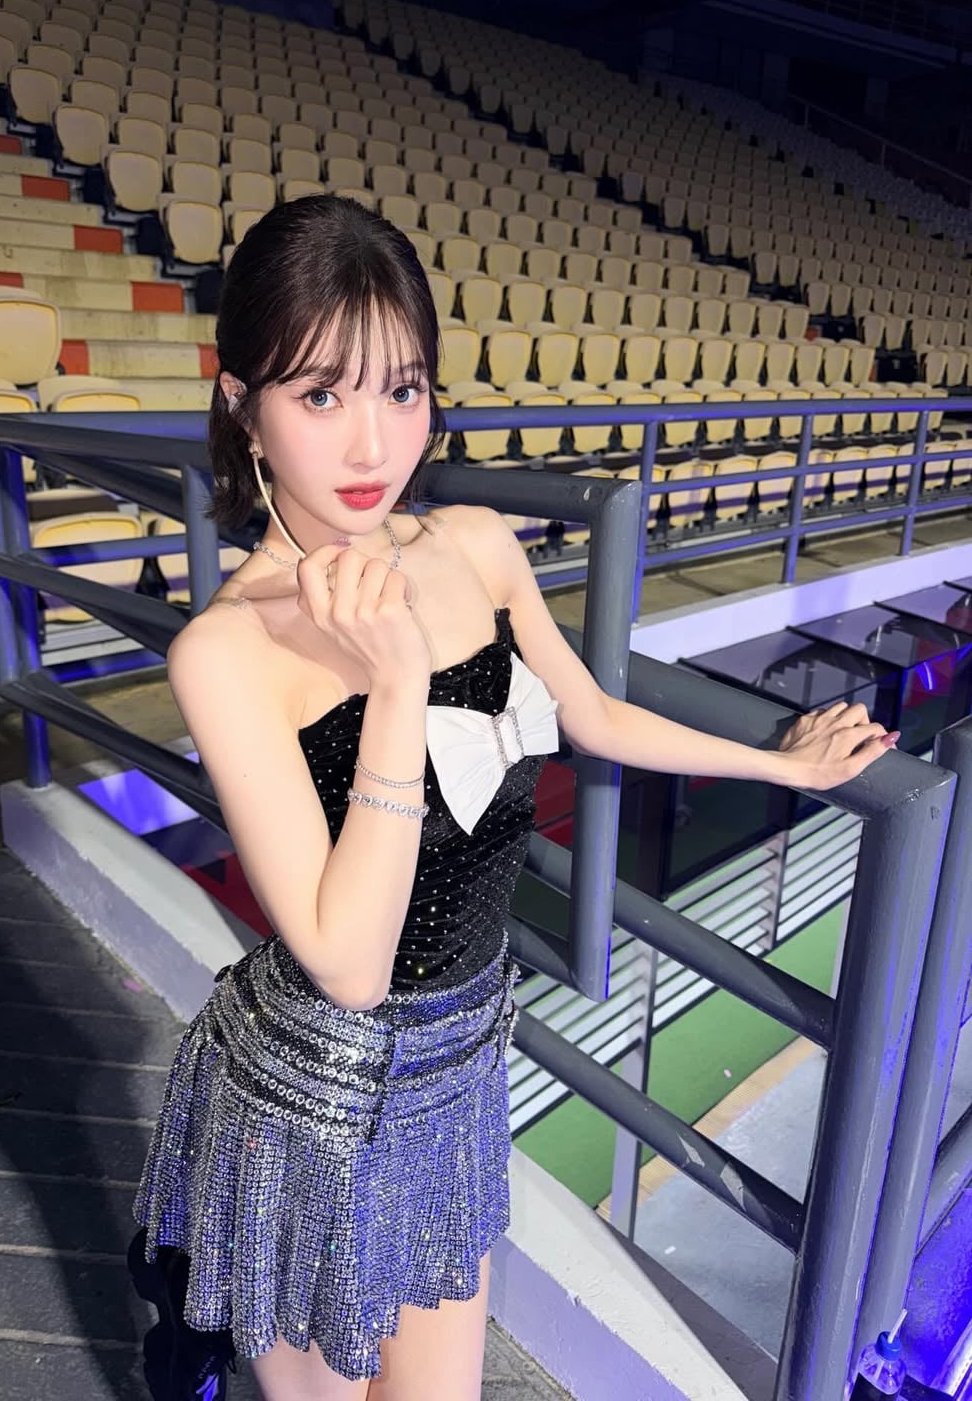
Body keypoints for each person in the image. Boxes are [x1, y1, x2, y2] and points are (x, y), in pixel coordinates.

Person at [128, 194, 899, 1401]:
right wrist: (394, 683)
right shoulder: (226, 652)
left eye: (402, 390)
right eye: (322, 395)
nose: (373, 446)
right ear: (243, 406)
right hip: (310, 1102)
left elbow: (591, 715)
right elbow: (349, 965)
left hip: (462, 1072)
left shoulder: (476, 544)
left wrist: (780, 763)